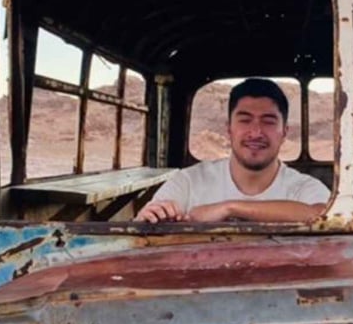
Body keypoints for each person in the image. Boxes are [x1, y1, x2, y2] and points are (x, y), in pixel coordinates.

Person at [137, 78, 329, 223]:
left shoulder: (304, 187)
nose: (255, 132)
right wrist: (149, 219)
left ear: (284, 132)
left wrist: (229, 208)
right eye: (245, 120)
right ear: (229, 128)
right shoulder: (188, 182)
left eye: (268, 121)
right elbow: (144, 231)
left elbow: (323, 214)